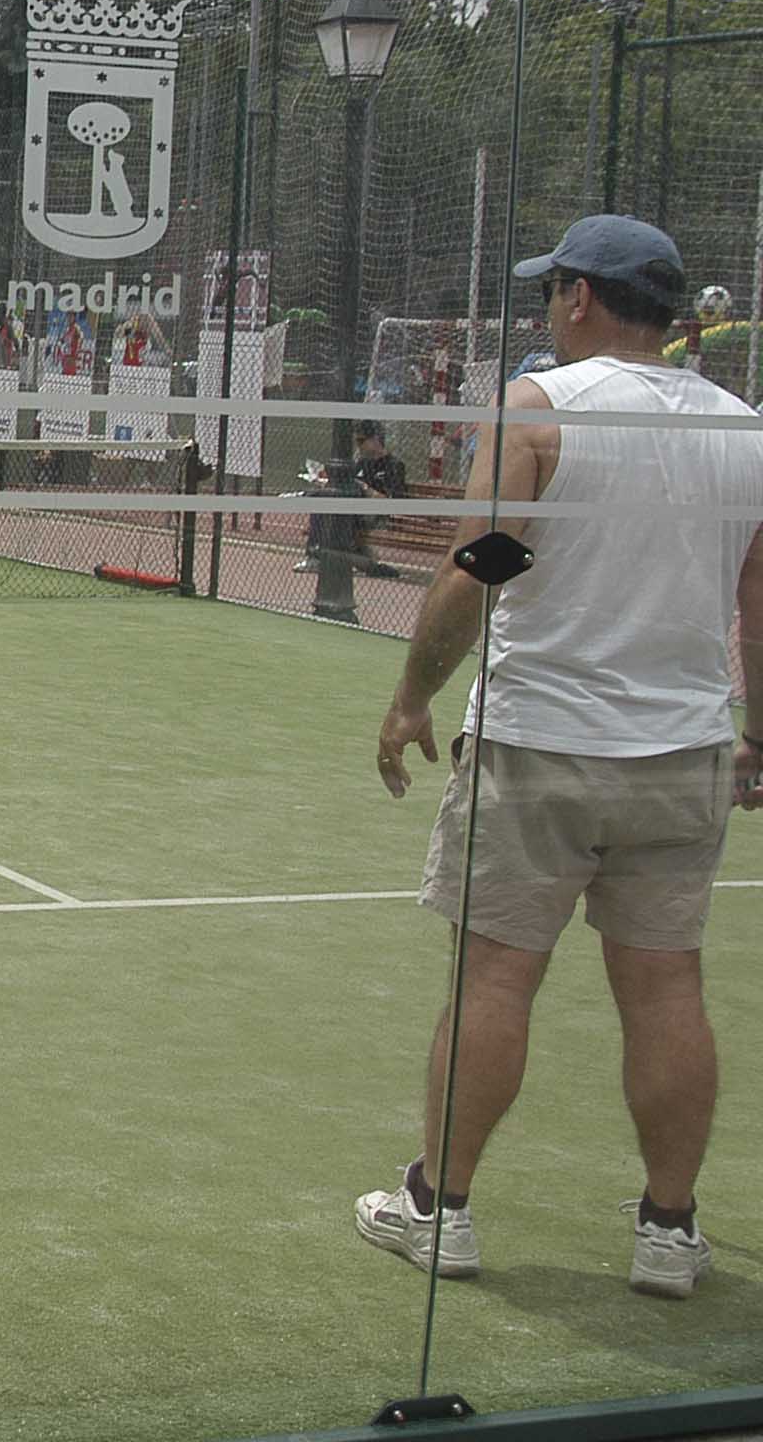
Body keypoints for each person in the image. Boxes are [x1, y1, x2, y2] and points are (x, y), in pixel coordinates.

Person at [364, 215, 763, 1302]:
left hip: (539, 748)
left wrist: (409, 698)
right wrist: (756, 731)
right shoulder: (746, 429)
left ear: (580, 297)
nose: (546, 305)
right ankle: (668, 1230)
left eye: (553, 289)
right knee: (667, 986)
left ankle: (436, 1207)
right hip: (681, 757)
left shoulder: (537, 411)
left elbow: (477, 562)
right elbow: (755, 593)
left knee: (493, 977)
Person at [348, 419, 410, 578]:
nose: (358, 446)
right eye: (357, 441)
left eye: (362, 441)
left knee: (343, 518)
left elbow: (393, 502)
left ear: (376, 439)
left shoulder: (394, 465)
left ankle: (356, 558)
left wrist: (365, 488)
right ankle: (326, 555)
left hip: (380, 515)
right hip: (357, 512)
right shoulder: (362, 463)